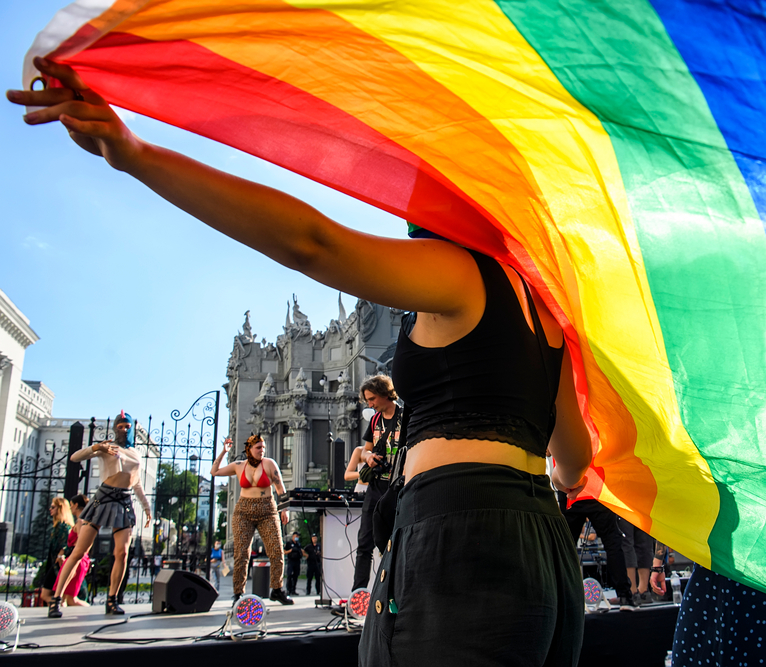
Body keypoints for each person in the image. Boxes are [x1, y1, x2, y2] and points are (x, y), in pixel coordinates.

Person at [9, 59, 594, 665]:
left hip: (461, 533)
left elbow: (310, 241)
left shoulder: (463, 275)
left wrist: (132, 152)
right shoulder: (547, 317)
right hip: (544, 545)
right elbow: (574, 458)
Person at [48, 411, 151, 618]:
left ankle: (112, 599)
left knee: (121, 553)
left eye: (127, 426)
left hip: (124, 500)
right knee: (78, 552)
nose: (123, 429)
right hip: (102, 498)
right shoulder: (106, 447)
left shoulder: (136, 454)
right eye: (120, 426)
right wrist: (97, 447)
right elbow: (75, 457)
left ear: (132, 428)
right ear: (115, 428)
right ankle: (56, 599)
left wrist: (147, 509)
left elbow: (137, 483)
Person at [650, 543, 766, 666]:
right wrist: (658, 561)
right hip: (737, 570)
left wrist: (658, 561)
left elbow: (670, 504)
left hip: (746, 572)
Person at [209, 435, 293, 605]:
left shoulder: (269, 464)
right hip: (244, 511)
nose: (262, 450)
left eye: (263, 447)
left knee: (276, 551)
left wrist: (284, 508)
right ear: (249, 449)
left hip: (267, 510)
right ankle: (238, 593)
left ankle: (277, 589)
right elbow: (214, 472)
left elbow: (280, 487)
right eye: (258, 448)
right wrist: (224, 452)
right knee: (241, 554)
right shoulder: (239, 465)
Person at [352, 375, 402, 592]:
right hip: (375, 488)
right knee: (364, 544)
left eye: (372, 399)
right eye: (367, 401)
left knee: (395, 543)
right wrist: (368, 457)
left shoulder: (406, 416)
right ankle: (358, 595)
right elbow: (364, 450)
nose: (370, 404)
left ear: (384, 393)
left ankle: (393, 592)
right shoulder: (374, 420)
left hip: (399, 488)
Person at [559, 492, 636, 610]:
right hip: (596, 491)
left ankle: (562, 598)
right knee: (612, 543)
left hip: (571, 491)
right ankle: (625, 596)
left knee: (565, 547)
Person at [39, 497, 74, 605]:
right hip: (53, 564)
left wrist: (60, 555)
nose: (50, 509)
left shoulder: (63, 526)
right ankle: (58, 608)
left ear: (60, 509)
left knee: (46, 594)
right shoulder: (58, 526)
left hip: (57, 565)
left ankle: (59, 608)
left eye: (53, 507)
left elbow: (65, 545)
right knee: (54, 595)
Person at [59, 494, 92, 607]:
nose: (70, 508)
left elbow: (82, 544)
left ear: (76, 505)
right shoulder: (82, 521)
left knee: (70, 599)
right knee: (65, 597)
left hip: (76, 559)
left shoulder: (81, 522)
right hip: (74, 558)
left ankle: (90, 610)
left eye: (71, 505)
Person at [619, 516, 655, 604]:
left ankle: (632, 591)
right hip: (645, 504)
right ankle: (643, 591)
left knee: (626, 543)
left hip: (626, 504)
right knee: (644, 543)